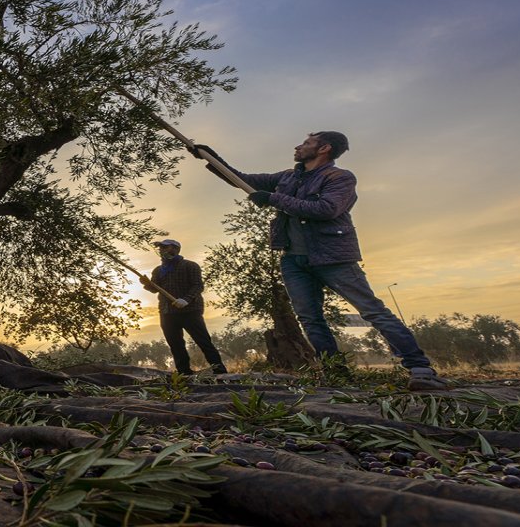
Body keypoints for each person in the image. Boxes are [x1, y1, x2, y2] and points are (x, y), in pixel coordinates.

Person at [192, 131, 448, 391]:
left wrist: (272, 198)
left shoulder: (339, 178)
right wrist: (213, 159)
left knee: (373, 311)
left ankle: (420, 369)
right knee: (310, 319)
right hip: (293, 260)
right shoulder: (287, 177)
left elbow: (326, 209)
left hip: (333, 257)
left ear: (324, 148)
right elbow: (242, 180)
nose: (298, 146)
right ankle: (336, 374)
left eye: (306, 143)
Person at [140, 239, 227, 376]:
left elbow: (198, 286)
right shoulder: (158, 270)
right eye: (162, 248)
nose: (163, 250)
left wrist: (186, 300)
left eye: (166, 248)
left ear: (176, 249)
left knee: (203, 341)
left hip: (190, 311)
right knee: (175, 345)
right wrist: (146, 283)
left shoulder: (190, 266)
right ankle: (184, 373)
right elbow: (154, 289)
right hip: (167, 312)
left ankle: (220, 371)